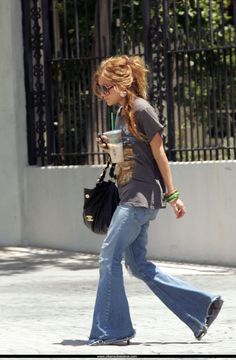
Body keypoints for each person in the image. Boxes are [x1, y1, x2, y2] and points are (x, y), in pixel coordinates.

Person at [87, 55, 223, 346]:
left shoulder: (140, 108)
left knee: (108, 257)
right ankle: (202, 308)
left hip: (138, 200)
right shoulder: (122, 113)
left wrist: (173, 195)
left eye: (105, 87)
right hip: (131, 194)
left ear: (122, 85)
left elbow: (160, 153)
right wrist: (111, 147)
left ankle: (114, 331)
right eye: (99, 88)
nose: (102, 94)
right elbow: (128, 161)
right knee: (138, 266)